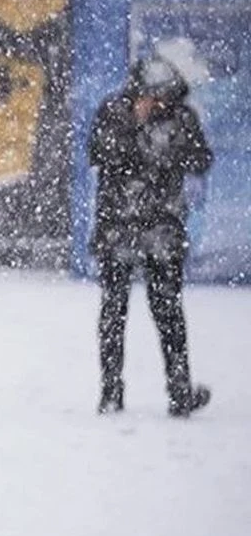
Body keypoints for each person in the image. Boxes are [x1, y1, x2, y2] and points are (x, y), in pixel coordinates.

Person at [89, 57, 214, 417]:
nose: (157, 103)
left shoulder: (182, 117)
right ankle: (111, 391)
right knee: (114, 311)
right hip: (119, 228)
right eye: (151, 97)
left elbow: (201, 159)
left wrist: (166, 144)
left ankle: (179, 392)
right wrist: (136, 126)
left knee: (169, 312)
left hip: (163, 229)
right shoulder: (114, 111)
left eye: (163, 98)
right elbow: (100, 153)